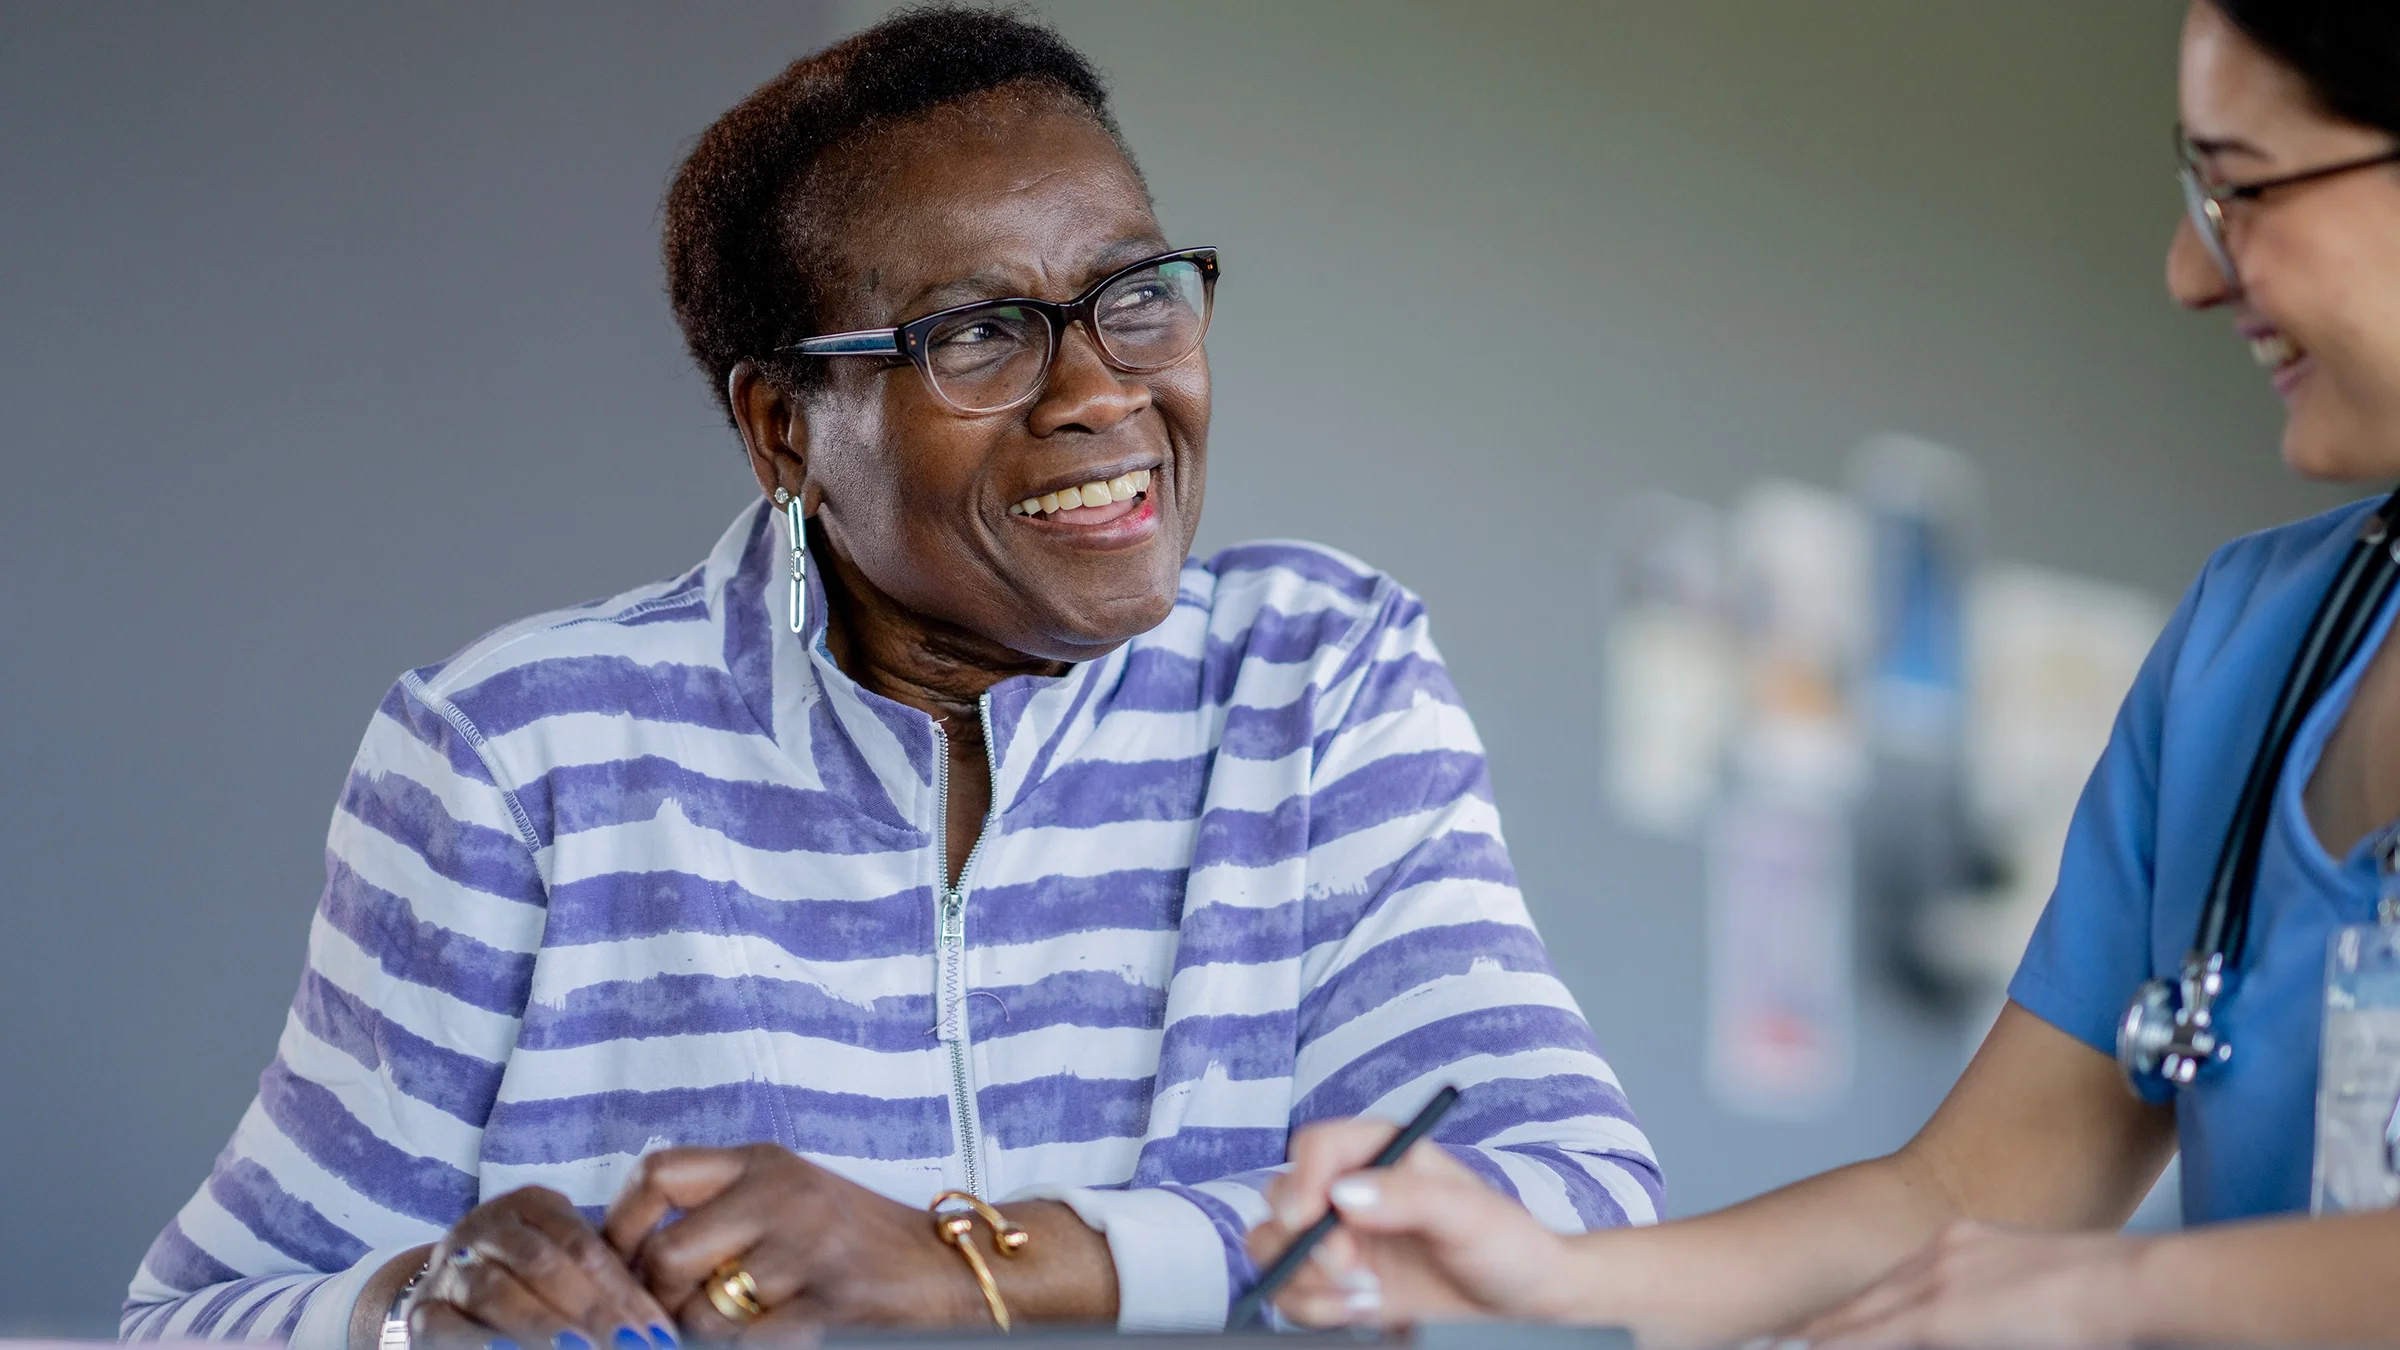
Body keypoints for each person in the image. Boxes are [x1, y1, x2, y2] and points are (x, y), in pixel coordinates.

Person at [116, 10, 1665, 1349]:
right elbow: (193, 1314)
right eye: (978, 334)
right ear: (783, 429)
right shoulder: (525, 756)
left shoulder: (1314, 684)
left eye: (1136, 295)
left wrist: (976, 1261)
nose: (1103, 387)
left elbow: (1572, 1201)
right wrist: (406, 1306)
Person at [1251, 2, 2400, 1345]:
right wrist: (1548, 1269)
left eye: (2239, 189)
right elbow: (1967, 1198)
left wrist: (2113, 1297)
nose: (2188, 273)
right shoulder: (2243, 657)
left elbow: (2045, 1276)